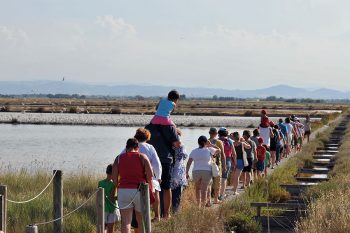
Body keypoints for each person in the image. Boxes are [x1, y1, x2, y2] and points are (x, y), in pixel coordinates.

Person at [112, 138, 153, 233]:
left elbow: (114, 180)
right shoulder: (142, 157)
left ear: (126, 147)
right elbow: (150, 176)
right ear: (137, 147)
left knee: (126, 222)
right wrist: (151, 189)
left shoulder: (118, 158)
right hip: (140, 190)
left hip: (123, 191)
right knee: (141, 220)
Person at [145, 121, 179, 219]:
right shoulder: (170, 126)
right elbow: (177, 144)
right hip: (166, 160)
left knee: (155, 188)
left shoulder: (149, 126)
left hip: (150, 162)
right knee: (166, 188)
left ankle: (157, 216)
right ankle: (166, 214)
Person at [186, 136, 220, 207]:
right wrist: (211, 145)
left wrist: (186, 172)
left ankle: (198, 205)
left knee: (197, 189)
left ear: (198, 143)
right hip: (206, 171)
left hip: (196, 171)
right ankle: (202, 207)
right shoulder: (209, 149)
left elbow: (189, 163)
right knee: (204, 190)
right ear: (206, 142)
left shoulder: (194, 151)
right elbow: (219, 150)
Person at [170, 129, 188, 212]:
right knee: (177, 192)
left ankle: (167, 211)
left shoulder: (167, 143)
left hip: (170, 168)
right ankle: (175, 210)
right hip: (178, 170)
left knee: (167, 190)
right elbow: (184, 156)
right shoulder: (180, 145)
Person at [98, 164, 119, 233]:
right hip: (112, 208)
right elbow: (112, 198)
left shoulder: (100, 183)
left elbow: (99, 197)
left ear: (107, 172)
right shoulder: (114, 184)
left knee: (103, 228)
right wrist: (119, 198)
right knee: (110, 228)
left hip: (103, 208)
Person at [208, 127, 226, 204]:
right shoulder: (219, 142)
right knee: (217, 182)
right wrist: (224, 166)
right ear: (216, 134)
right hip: (217, 164)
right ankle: (215, 199)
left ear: (209, 133)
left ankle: (208, 200)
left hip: (208, 164)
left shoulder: (206, 141)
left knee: (209, 183)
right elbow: (222, 155)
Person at [217, 127, 235, 200]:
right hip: (227, 161)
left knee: (216, 178)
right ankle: (221, 195)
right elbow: (234, 153)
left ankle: (216, 195)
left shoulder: (216, 141)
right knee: (224, 179)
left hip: (217, 160)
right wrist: (235, 163)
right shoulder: (230, 141)